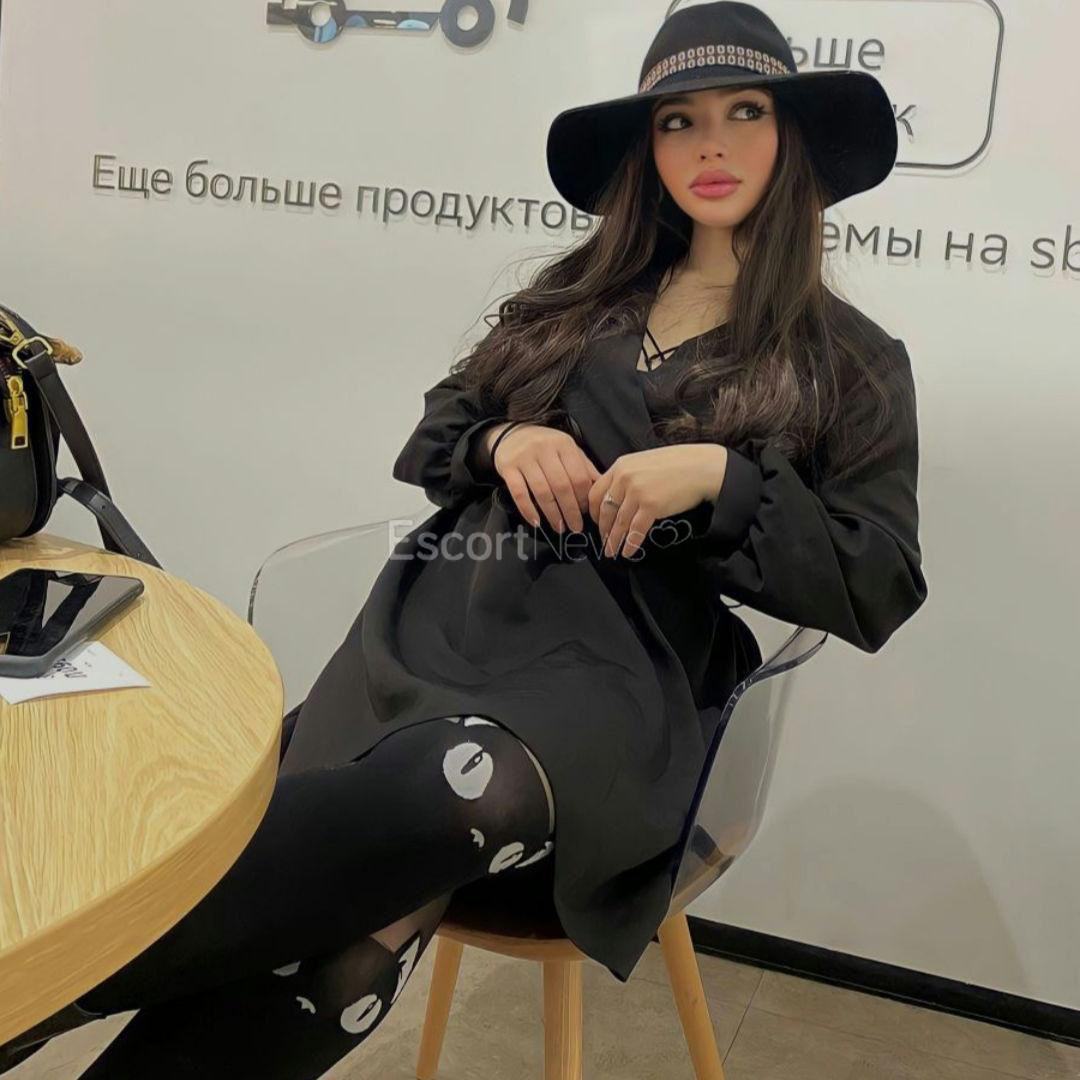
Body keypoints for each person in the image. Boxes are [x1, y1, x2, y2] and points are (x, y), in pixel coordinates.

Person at [1, 2, 928, 1075]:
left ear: (792, 135)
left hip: (628, 675)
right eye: (678, 121)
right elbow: (441, 431)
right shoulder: (574, 296)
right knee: (349, 949)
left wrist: (726, 480)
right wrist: (503, 441)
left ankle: (40, 978)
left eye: (746, 112)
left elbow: (879, 579)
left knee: (465, 785)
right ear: (647, 147)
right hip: (456, 618)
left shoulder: (847, 357)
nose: (710, 144)